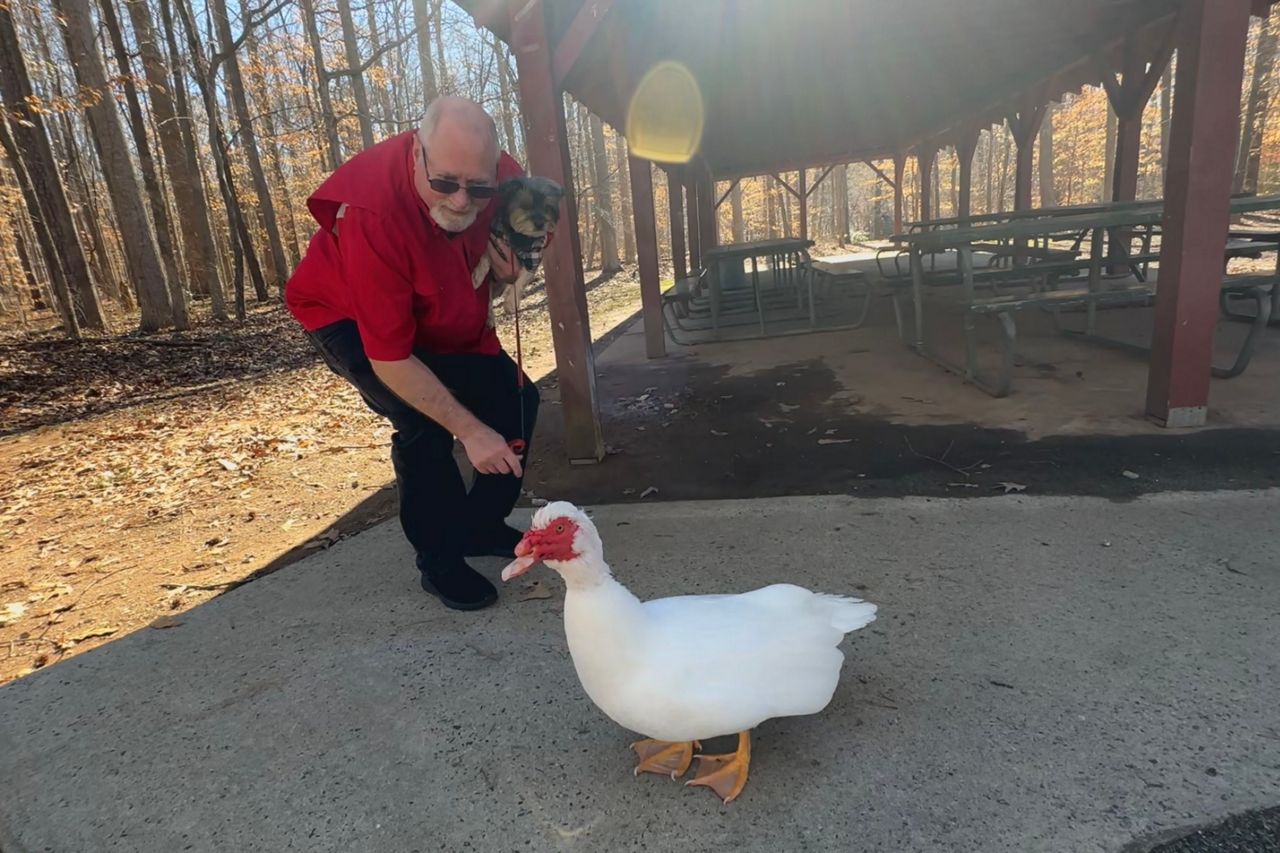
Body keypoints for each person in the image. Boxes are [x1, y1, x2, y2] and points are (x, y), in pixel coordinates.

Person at [284, 96, 539, 612]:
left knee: (518, 399)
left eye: (478, 187)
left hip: (434, 302)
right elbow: (392, 357)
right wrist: (470, 431)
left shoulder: (504, 181)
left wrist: (517, 266)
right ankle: (439, 560)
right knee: (426, 424)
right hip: (349, 314)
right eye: (445, 183)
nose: (464, 201)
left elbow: (530, 240)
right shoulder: (371, 215)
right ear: (417, 151)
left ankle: (480, 525)